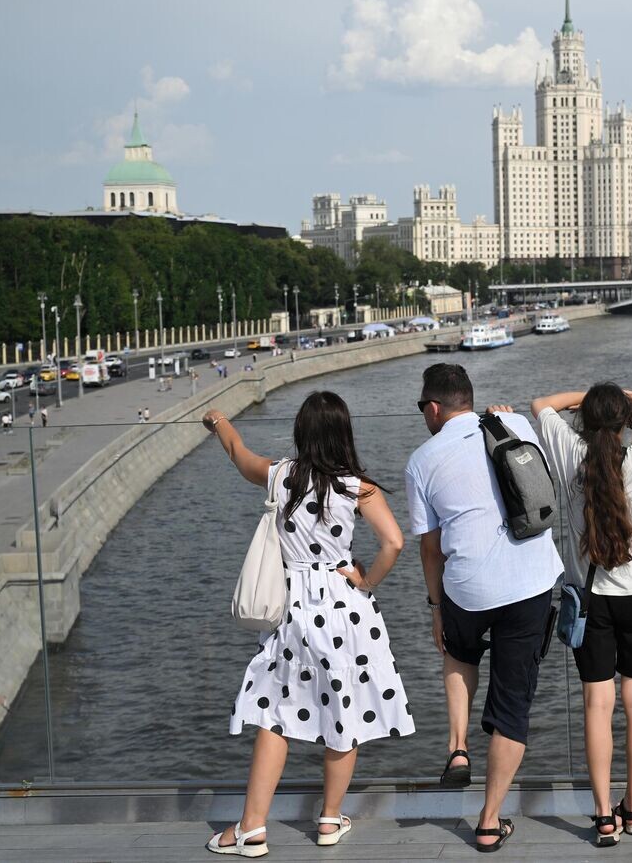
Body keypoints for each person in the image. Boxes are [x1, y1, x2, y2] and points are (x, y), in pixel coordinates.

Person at [203, 392, 413, 856]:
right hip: (344, 606)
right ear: (344, 433)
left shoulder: (280, 475)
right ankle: (329, 820)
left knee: (273, 711)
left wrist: (218, 420)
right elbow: (394, 542)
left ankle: (252, 827)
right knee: (345, 707)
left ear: (301, 431)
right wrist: (366, 581)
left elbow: (238, 452)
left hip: (293, 606)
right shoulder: (358, 487)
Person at [404, 363, 563, 853]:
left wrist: (436, 606)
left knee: (459, 651)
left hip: (467, 589)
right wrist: (505, 417)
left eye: (422, 408)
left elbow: (430, 549)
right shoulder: (513, 423)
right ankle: (490, 822)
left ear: (434, 408)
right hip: (531, 584)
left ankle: (457, 747)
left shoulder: (421, 461)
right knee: (512, 705)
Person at [531, 384, 632, 846]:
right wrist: (631, 395)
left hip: (590, 600)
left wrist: (584, 396)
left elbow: (540, 405)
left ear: (584, 420)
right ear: (625, 421)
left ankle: (602, 815)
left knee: (597, 704)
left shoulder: (569, 453)